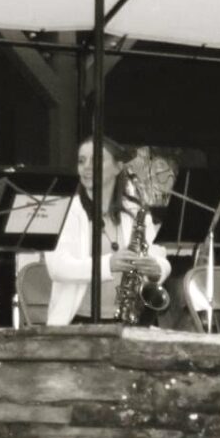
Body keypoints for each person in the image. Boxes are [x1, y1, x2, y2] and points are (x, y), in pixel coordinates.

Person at [46, 135, 169, 325]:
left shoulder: (135, 210)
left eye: (96, 160)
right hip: (78, 321)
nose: (87, 167)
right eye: (81, 161)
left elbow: (159, 255)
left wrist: (156, 269)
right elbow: (58, 268)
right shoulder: (65, 209)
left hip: (130, 320)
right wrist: (108, 264)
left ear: (118, 167)